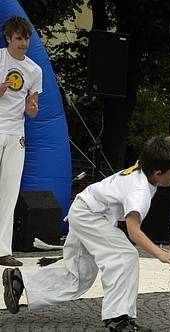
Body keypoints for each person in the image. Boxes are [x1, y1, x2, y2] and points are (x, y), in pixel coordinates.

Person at [2, 136, 170, 331]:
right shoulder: (139, 190)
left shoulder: (148, 166)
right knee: (124, 255)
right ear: (158, 173)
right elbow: (134, 232)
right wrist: (161, 254)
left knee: (80, 276)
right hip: (89, 215)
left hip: (85, 209)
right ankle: (118, 319)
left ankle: (20, 280)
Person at [0, 16, 42, 267]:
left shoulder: (34, 70)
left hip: (17, 133)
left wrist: (32, 107)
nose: (23, 43)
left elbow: (33, 110)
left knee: (10, 192)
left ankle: (3, 249)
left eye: (26, 38)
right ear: (8, 38)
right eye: (19, 38)